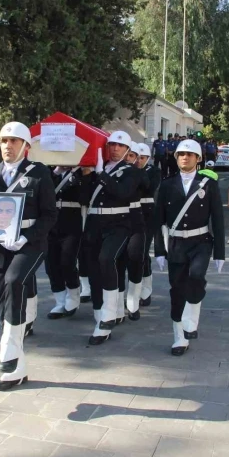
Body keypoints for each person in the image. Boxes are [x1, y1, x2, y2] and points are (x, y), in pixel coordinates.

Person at [0, 121, 57, 391]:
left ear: (26, 146)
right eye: (4, 141)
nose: (8, 145)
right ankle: (16, 370)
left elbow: (50, 214)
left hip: (28, 244)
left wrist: (27, 237)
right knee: (3, 304)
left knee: (14, 281)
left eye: (14, 141)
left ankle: (7, 355)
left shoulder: (39, 173)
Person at [154, 139, 225, 356]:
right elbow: (158, 220)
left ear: (198, 159)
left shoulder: (207, 183)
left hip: (201, 242)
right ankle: (179, 336)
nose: (185, 157)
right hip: (176, 244)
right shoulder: (166, 185)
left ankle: (190, 323)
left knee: (195, 278)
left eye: (190, 154)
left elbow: (218, 219)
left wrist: (220, 253)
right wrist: (159, 250)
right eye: (181, 154)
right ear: (175, 158)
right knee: (176, 290)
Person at [81, 130, 139, 345]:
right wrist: (86, 177)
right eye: (112, 145)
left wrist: (101, 175)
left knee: (107, 259)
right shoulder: (98, 169)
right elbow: (84, 199)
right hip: (94, 224)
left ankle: (110, 313)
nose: (115, 149)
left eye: (120, 146)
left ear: (127, 150)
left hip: (118, 225)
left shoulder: (131, 171)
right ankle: (99, 315)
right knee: (93, 268)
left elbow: (122, 193)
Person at [45, 164, 90, 320]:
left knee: (67, 262)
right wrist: (56, 171)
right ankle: (59, 301)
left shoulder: (81, 173)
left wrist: (81, 174)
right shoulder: (50, 173)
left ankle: (73, 293)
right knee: (51, 264)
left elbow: (85, 197)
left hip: (72, 223)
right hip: (51, 224)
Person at [121, 143, 150, 323]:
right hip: (116, 221)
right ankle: (116, 306)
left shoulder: (139, 173)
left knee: (135, 259)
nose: (130, 159)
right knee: (116, 263)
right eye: (128, 155)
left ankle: (133, 302)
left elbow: (145, 185)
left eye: (134, 156)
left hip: (135, 219)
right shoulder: (113, 171)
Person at [136, 143, 161, 308]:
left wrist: (136, 173)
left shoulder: (153, 171)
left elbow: (149, 188)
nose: (138, 161)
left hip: (147, 215)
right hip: (131, 214)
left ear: (148, 158)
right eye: (136, 157)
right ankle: (135, 288)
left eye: (142, 158)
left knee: (143, 252)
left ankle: (146, 288)